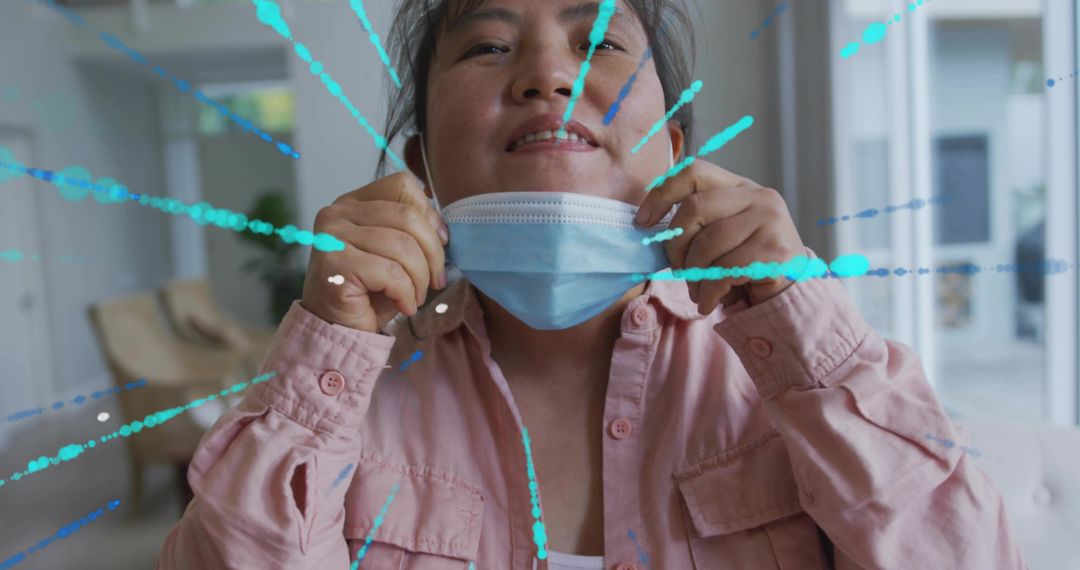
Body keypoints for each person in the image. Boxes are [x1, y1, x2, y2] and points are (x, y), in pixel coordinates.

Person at [157, 0, 1027, 568]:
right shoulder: (346, 395)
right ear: (422, 164)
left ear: (678, 149)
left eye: (601, 41)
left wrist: (808, 338)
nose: (549, 77)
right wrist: (329, 344)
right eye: (490, 45)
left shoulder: (793, 381)